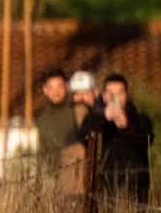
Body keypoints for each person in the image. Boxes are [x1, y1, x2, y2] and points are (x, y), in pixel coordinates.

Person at [77, 72, 154, 203]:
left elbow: (147, 140)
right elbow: (84, 138)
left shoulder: (140, 118)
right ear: (104, 95)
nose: (116, 98)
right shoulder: (94, 118)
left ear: (126, 95)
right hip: (105, 187)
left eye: (120, 93)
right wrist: (105, 118)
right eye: (111, 94)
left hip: (135, 189)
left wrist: (127, 126)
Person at [33, 68, 78, 162]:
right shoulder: (42, 118)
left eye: (60, 86)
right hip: (53, 172)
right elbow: (42, 151)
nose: (56, 91)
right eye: (51, 88)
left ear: (67, 86)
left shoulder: (77, 110)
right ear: (45, 90)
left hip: (77, 169)